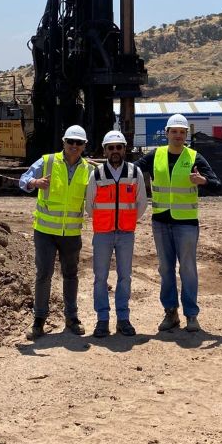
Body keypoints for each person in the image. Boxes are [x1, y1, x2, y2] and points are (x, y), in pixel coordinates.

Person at [134, 113, 221, 333]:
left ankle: (191, 315)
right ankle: (170, 313)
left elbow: (217, 184)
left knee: (188, 270)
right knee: (165, 269)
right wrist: (102, 167)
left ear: (186, 135)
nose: (178, 136)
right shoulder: (156, 155)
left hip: (186, 224)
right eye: (174, 132)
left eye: (182, 132)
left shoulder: (194, 157)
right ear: (166, 133)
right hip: (161, 222)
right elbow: (132, 170)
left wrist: (203, 181)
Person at [19, 124, 92, 340]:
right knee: (44, 275)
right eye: (71, 142)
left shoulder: (89, 169)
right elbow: (23, 179)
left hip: (71, 234)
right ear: (64, 143)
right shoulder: (48, 161)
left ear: (84, 146)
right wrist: (34, 182)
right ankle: (39, 321)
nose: (74, 146)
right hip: (45, 232)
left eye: (79, 143)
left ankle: (72, 318)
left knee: (71, 275)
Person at [85, 130, 148, 337]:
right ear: (105, 150)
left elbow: (141, 203)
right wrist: (107, 220)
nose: (115, 151)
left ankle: (123, 319)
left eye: (118, 147)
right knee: (100, 277)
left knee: (125, 277)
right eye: (110, 147)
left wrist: (127, 220)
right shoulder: (96, 174)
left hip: (125, 234)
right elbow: (89, 205)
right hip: (103, 233)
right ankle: (102, 320)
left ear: (124, 149)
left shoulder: (134, 173)